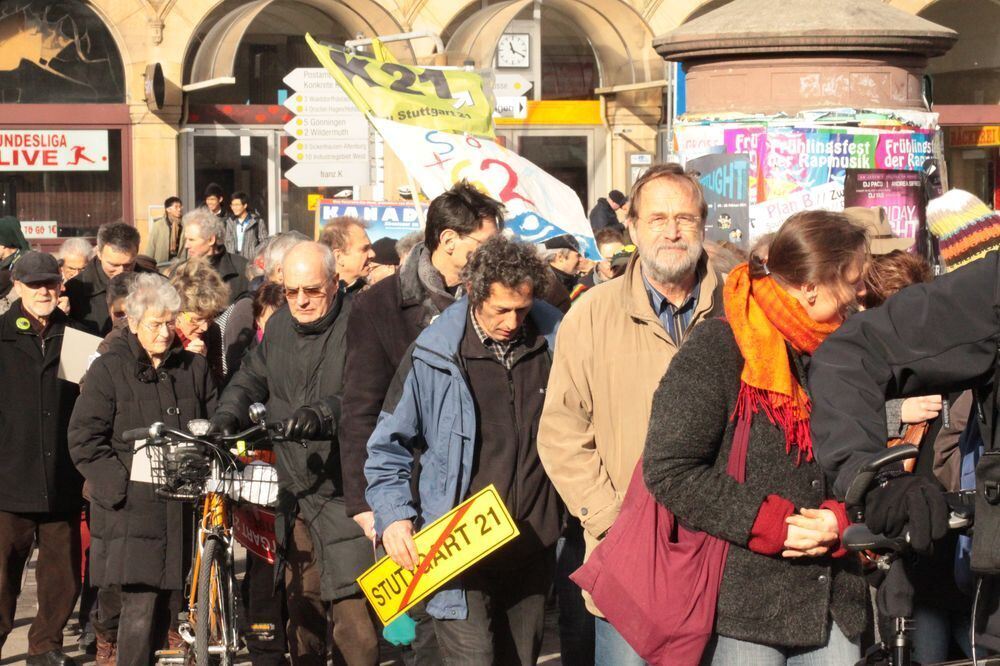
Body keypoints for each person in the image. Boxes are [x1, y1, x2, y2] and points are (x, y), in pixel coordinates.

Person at [642, 211, 869, 663]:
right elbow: (669, 468)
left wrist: (843, 519)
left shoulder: (852, 350)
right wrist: (770, 523)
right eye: (853, 281)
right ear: (810, 287)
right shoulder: (720, 346)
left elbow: (869, 457)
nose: (862, 295)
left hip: (834, 600)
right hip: (743, 609)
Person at [537, 163, 726, 664]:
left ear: (703, 225)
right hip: (630, 560)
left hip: (725, 554)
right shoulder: (591, 314)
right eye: (658, 217)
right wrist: (613, 521)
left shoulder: (738, 310)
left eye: (685, 218)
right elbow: (561, 433)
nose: (672, 231)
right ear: (635, 229)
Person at [366, 236, 563, 665]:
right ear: (474, 294)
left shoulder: (556, 343)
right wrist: (394, 515)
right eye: (501, 310)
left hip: (532, 543)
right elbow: (387, 445)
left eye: (523, 310)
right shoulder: (433, 354)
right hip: (458, 547)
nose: (513, 322)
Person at [210, 242, 377, 666]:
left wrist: (324, 413)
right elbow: (250, 376)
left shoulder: (361, 323)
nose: (301, 300)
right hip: (294, 488)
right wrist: (226, 416)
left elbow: (370, 394)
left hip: (346, 489)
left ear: (336, 284)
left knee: (353, 613)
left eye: (313, 291)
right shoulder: (282, 325)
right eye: (291, 290)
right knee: (302, 601)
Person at [68, 274, 217, 666]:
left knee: (173, 612)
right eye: (155, 323)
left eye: (171, 322)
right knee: (137, 608)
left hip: (183, 508)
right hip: (129, 511)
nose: (165, 332)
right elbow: (85, 439)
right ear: (133, 323)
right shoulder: (108, 369)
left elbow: (214, 422)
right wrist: (121, 487)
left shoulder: (194, 368)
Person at [0, 252, 82, 666]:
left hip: (62, 476)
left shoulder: (78, 338)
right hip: (8, 477)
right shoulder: (2, 336)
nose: (44, 291)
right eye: (35, 285)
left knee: (61, 576)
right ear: (17, 286)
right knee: (1, 576)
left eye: (50, 283)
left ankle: (45, 646)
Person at [65, 222, 142, 336]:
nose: (121, 271)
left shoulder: (155, 284)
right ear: (99, 254)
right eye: (113, 265)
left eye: (128, 265)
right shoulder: (74, 290)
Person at [169, 257, 231, 386]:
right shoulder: (161, 335)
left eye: (210, 318)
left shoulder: (212, 331)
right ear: (177, 312)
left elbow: (218, 385)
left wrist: (203, 365)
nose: (204, 327)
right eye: (196, 320)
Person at [174, 209, 249, 305]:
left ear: (211, 240)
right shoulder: (180, 272)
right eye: (186, 240)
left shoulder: (243, 268)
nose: (186, 246)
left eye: (191, 240)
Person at [319, 216, 375, 293]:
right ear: (339, 257)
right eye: (364, 249)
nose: (372, 254)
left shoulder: (372, 297)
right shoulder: (315, 297)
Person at [225, 191, 268, 261]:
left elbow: (264, 242)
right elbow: (227, 242)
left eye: (237, 205)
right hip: (234, 261)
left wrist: (254, 254)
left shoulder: (257, 222)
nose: (234, 208)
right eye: (232, 205)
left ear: (245, 205)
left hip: (251, 262)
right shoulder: (230, 222)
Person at [147, 196, 185, 265]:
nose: (179, 209)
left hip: (179, 265)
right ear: (168, 209)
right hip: (161, 265)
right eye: (176, 207)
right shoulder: (158, 225)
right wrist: (147, 265)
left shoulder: (184, 225)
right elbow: (151, 246)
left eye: (180, 207)